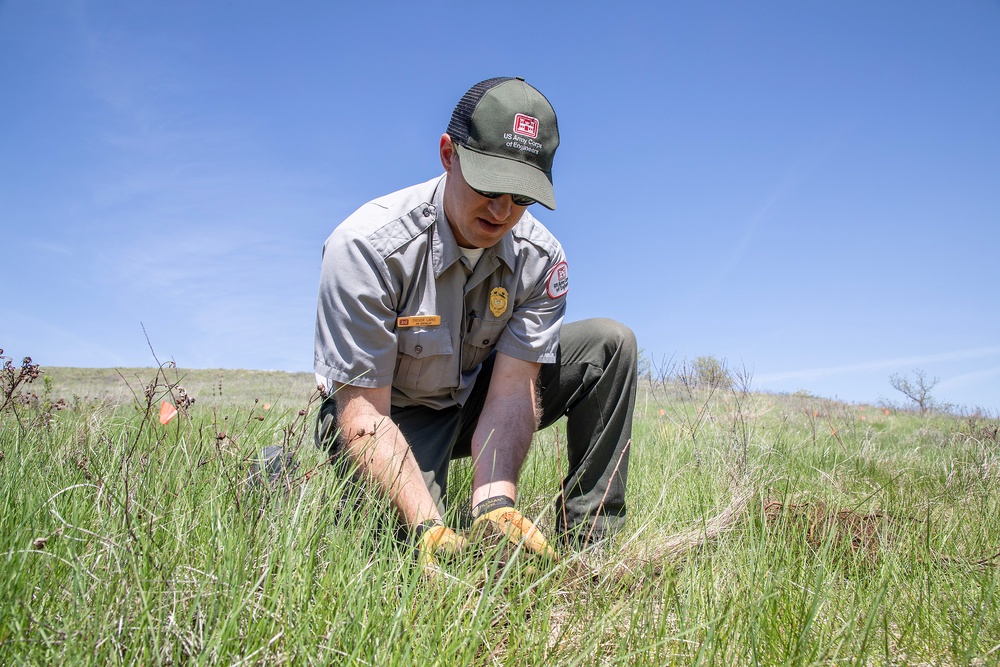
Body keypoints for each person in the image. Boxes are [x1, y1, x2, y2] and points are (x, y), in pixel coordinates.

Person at [311, 76, 637, 569]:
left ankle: (591, 556)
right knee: (399, 555)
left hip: (472, 398)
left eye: (521, 195)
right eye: (489, 185)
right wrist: (426, 524)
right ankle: (286, 473)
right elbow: (364, 417)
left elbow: (511, 389)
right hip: (391, 413)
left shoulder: (541, 260)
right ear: (448, 154)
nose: (503, 211)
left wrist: (495, 504)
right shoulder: (366, 248)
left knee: (610, 345)